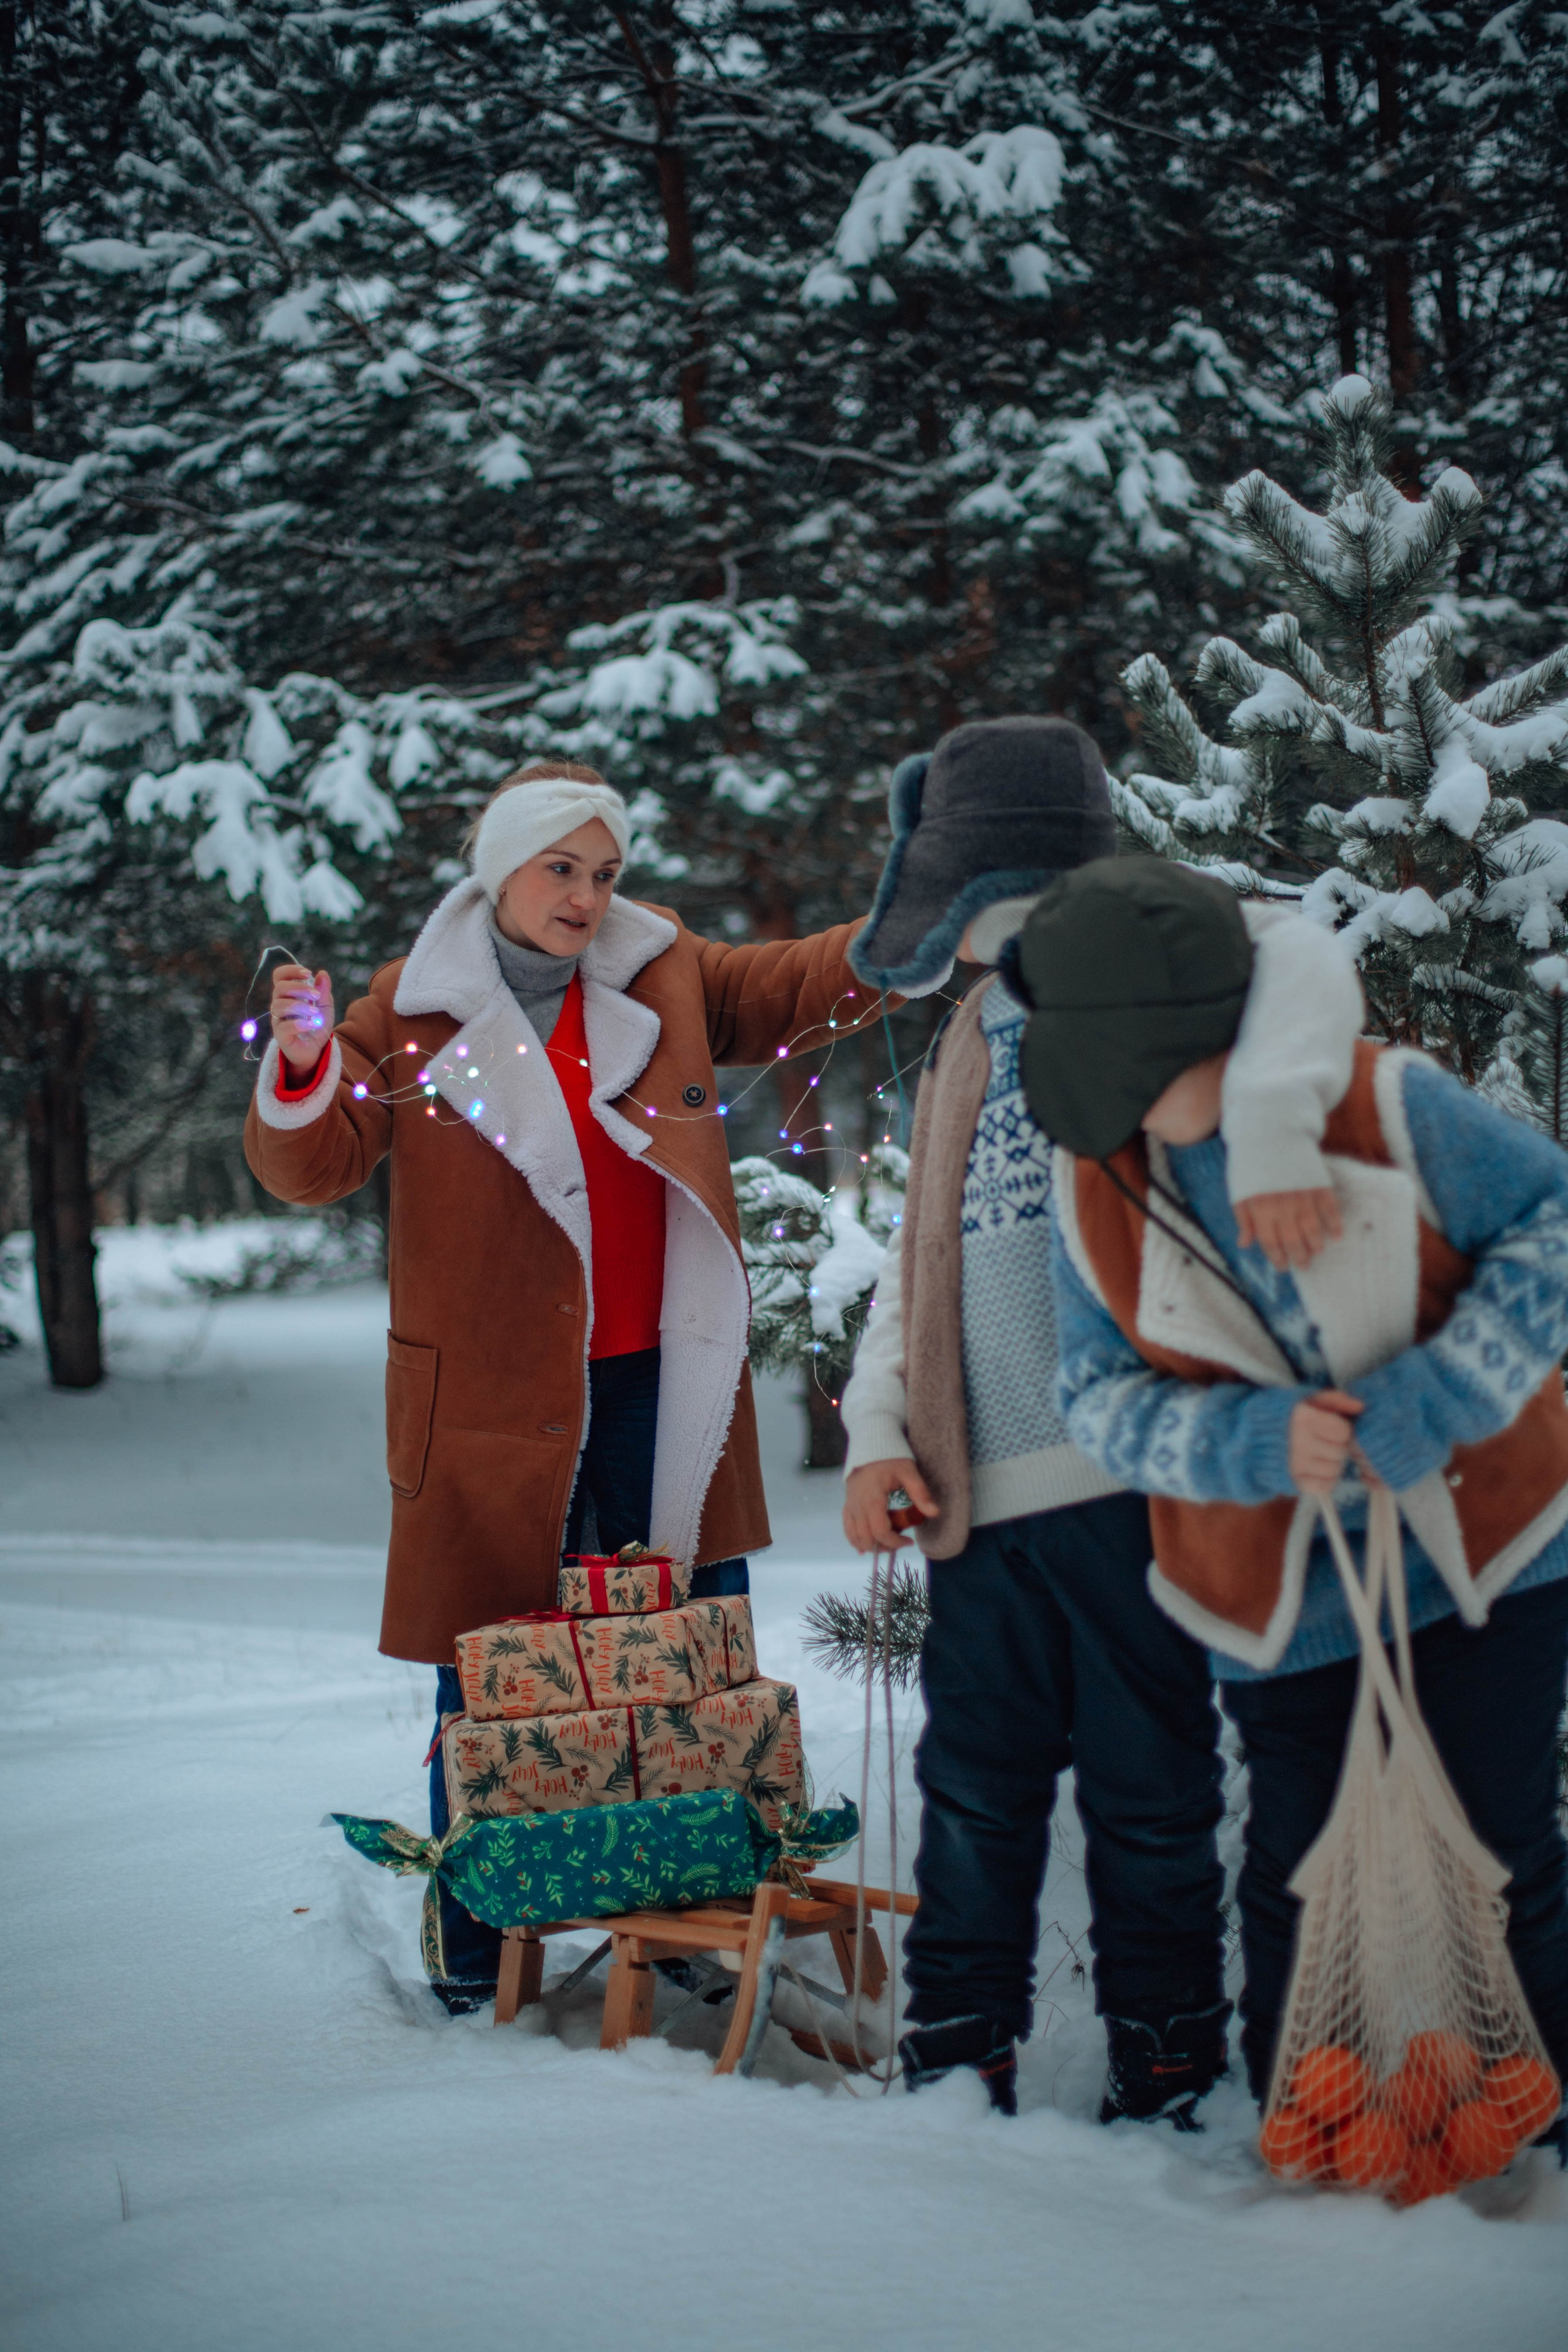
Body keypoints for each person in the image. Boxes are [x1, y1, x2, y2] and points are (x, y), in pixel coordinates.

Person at [245, 760, 921, 2009]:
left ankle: (700, 1926)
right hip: (490, 1402)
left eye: (604, 873)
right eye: (561, 868)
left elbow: (795, 981)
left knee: (691, 1661)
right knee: (495, 1679)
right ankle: (477, 1953)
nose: (585, 896)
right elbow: (313, 1167)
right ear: (501, 867)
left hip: (664, 1378)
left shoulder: (663, 968)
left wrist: (914, 909)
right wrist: (301, 1066)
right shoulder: (409, 1005)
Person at [839, 716, 1365, 2119]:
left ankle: (1167, 2053)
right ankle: (957, 2045)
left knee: (1151, 1791)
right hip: (975, 1496)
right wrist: (879, 1428)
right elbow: (918, 1265)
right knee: (972, 1789)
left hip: (1138, 1476)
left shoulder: (1148, 983)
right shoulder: (958, 1042)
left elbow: (1299, 956)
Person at [1027, 856, 1568, 2136]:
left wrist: (1435, 1397)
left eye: (1135, 1077)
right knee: (1294, 1863)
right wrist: (1255, 1443)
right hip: (1278, 1592)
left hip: (1489, 1548)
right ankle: (1309, 2121)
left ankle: (1542, 2118)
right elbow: (1094, 1401)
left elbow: (1552, 1229)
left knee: (1500, 1845)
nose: (1116, 1108)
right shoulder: (1092, 1184)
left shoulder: (1388, 1105)